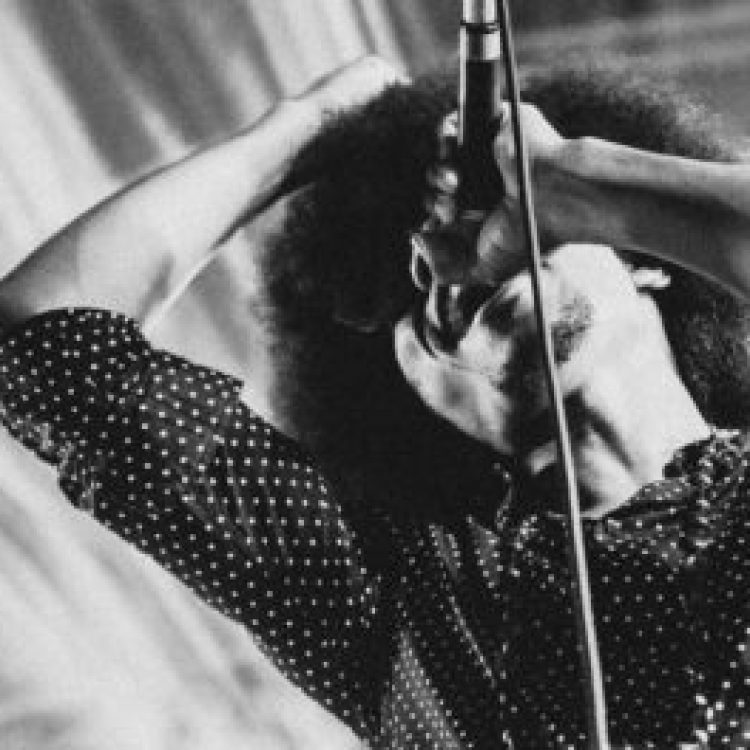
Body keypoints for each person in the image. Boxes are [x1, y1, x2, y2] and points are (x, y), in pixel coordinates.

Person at [1, 53, 749, 748]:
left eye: (498, 220)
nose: (456, 262)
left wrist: (578, 183)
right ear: (407, 395)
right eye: (405, 280)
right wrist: (312, 126)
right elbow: (43, 343)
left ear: (645, 260)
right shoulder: (389, 589)